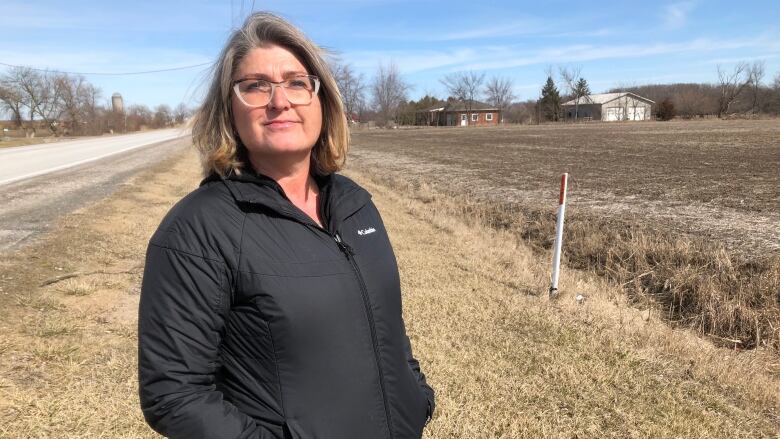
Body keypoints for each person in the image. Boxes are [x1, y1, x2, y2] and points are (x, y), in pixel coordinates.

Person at [137, 12, 435, 439]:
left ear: (322, 100)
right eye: (255, 86)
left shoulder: (355, 204)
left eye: (297, 82)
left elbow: (386, 321)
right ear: (229, 111)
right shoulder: (197, 230)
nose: (280, 101)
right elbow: (174, 394)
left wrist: (417, 394)